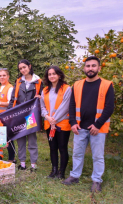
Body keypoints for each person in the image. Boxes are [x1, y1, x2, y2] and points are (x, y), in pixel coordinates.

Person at [63, 56, 114, 192]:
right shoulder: (77, 85)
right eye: (88, 66)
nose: (90, 68)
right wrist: (73, 122)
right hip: (80, 127)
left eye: (93, 66)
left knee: (97, 156)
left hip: (98, 128)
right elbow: (72, 105)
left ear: (99, 68)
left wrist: (98, 125)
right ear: (84, 68)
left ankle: (97, 180)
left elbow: (109, 108)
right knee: (77, 153)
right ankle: (74, 176)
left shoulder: (107, 84)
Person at [8, 59, 43, 171]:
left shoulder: (39, 81)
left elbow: (44, 97)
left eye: (24, 67)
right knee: (20, 139)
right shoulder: (18, 82)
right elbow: (13, 98)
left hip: (31, 116)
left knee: (32, 140)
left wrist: (40, 98)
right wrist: (9, 113)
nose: (23, 70)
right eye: (20, 68)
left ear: (29, 66)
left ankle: (33, 164)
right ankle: (22, 163)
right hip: (19, 115)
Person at [40, 66, 71, 179]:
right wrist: (48, 117)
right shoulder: (45, 90)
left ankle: (61, 173)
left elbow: (65, 106)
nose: (52, 76)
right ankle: (53, 170)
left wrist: (54, 119)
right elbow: (42, 106)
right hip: (49, 124)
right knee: (52, 147)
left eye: (54, 74)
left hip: (62, 124)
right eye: (49, 74)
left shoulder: (67, 88)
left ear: (59, 75)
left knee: (62, 148)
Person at [0, 68, 15, 162]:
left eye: (4, 75)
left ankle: (11, 158)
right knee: (1, 136)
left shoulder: (9, 87)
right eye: (0, 76)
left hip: (6, 116)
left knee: (8, 137)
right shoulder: (0, 87)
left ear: (8, 76)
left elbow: (11, 102)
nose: (2, 77)